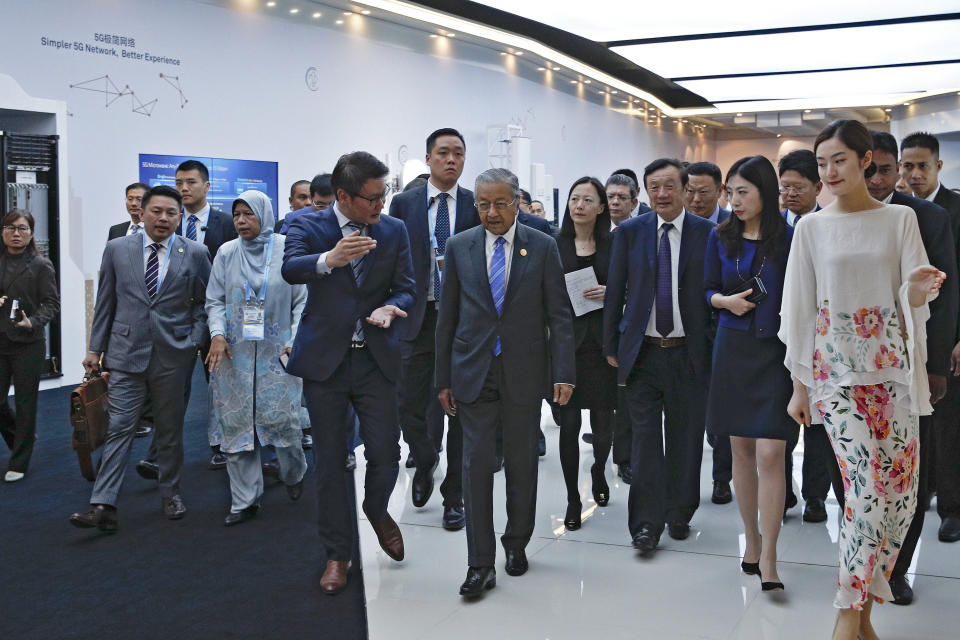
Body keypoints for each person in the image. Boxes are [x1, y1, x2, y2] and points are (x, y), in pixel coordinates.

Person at [780, 119, 943, 640]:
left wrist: (917, 289)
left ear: (865, 160)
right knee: (865, 492)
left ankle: (865, 617)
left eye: (839, 161)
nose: (828, 172)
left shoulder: (899, 220)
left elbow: (915, 301)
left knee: (899, 497)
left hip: (893, 374)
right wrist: (800, 386)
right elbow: (800, 309)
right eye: (822, 162)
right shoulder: (810, 227)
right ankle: (846, 618)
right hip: (837, 378)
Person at [435, 167, 574, 598]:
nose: (491, 212)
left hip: (523, 371)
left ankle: (517, 542)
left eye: (500, 203)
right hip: (473, 372)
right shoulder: (459, 247)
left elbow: (559, 317)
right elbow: (448, 317)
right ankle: (480, 563)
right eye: (483, 204)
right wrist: (443, 378)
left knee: (520, 463)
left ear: (517, 203)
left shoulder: (543, 246)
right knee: (475, 466)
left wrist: (563, 372)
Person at [281, 151, 415, 595]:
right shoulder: (308, 224)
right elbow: (291, 269)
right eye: (372, 198)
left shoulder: (393, 230)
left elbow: (408, 287)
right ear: (343, 196)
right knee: (332, 462)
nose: (380, 206)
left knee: (385, 453)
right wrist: (330, 259)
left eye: (384, 196)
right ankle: (337, 553)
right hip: (326, 364)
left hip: (376, 360)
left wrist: (391, 306)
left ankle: (376, 510)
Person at [69, 185, 211, 531]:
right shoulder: (117, 249)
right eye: (156, 211)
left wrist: (192, 340)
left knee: (169, 429)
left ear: (181, 217)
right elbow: (106, 304)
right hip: (124, 354)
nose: (163, 218)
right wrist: (94, 349)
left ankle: (171, 492)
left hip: (173, 356)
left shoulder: (195, 252)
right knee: (119, 428)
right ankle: (103, 504)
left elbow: (207, 305)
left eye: (171, 213)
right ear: (142, 212)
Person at [603, 158, 714, 555]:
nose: (662, 194)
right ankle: (646, 525)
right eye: (654, 187)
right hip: (644, 354)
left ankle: (680, 511)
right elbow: (615, 293)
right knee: (645, 442)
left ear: (685, 189)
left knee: (686, 438)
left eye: (669, 186)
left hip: (689, 354)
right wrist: (611, 345)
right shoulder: (631, 233)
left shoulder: (708, 233)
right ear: (645, 192)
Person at [867, 130, 958, 604]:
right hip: (856, 368)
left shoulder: (929, 216)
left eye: (887, 169)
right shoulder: (830, 217)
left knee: (912, 472)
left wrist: (938, 364)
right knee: (863, 473)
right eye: (871, 169)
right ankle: (865, 561)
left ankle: (898, 568)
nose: (880, 179)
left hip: (914, 363)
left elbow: (946, 297)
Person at [705, 156, 794, 591]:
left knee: (771, 455)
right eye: (731, 192)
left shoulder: (791, 238)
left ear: (765, 192)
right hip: (733, 349)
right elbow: (705, 289)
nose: (734, 201)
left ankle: (773, 556)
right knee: (740, 451)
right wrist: (724, 301)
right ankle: (752, 542)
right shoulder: (720, 236)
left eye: (743, 191)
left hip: (776, 354)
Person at [389, 128, 479, 531]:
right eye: (443, 153)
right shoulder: (404, 203)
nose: (451, 160)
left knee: (461, 410)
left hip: (461, 322)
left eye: (458, 154)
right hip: (417, 318)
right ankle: (425, 460)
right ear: (428, 159)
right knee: (410, 403)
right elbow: (391, 255)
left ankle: (454, 496)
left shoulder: (476, 205)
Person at [204, 190, 308, 526]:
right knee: (235, 427)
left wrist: (294, 341)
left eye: (248, 214)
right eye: (236, 215)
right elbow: (214, 300)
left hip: (277, 354)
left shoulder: (285, 249)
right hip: (234, 355)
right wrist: (217, 334)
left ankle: (294, 473)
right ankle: (244, 500)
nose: (241, 222)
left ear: (264, 214)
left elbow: (302, 303)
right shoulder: (226, 252)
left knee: (285, 426)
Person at [901, 131, 960, 544]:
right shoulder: (896, 211)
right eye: (908, 166)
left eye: (923, 166)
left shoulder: (955, 209)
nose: (915, 173)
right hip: (905, 337)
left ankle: (951, 508)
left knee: (948, 426)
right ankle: (917, 500)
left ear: (939, 166)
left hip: (948, 335)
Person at [554, 177, 617, 530]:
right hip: (566, 347)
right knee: (568, 425)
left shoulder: (612, 244)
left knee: (604, 425)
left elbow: (627, 288)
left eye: (587, 199)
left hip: (603, 347)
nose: (579, 205)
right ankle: (572, 499)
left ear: (600, 207)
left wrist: (612, 294)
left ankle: (598, 471)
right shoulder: (553, 244)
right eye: (574, 198)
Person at [777, 149, 833, 522]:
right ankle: (783, 494)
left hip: (821, 339)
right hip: (778, 341)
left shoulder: (829, 225)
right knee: (779, 423)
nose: (791, 194)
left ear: (818, 186)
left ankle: (816, 495)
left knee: (816, 425)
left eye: (799, 187)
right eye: (785, 187)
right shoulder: (772, 229)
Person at [0, 211, 59, 482]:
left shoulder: (40, 265)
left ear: (31, 233)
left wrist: (33, 321)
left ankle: (20, 460)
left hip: (28, 344)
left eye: (22, 228)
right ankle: (21, 438)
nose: (16, 233)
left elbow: (51, 304)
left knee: (26, 404)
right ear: (3, 231)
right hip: (0, 341)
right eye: (11, 228)